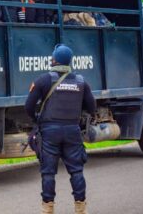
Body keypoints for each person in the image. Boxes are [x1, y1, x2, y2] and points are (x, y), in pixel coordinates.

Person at [24, 44, 96, 214]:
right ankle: (80, 208)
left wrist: (37, 120)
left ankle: (48, 209)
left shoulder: (43, 80)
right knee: (76, 171)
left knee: (48, 173)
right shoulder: (81, 81)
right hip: (72, 131)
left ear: (54, 60)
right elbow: (92, 107)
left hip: (49, 132)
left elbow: (28, 106)